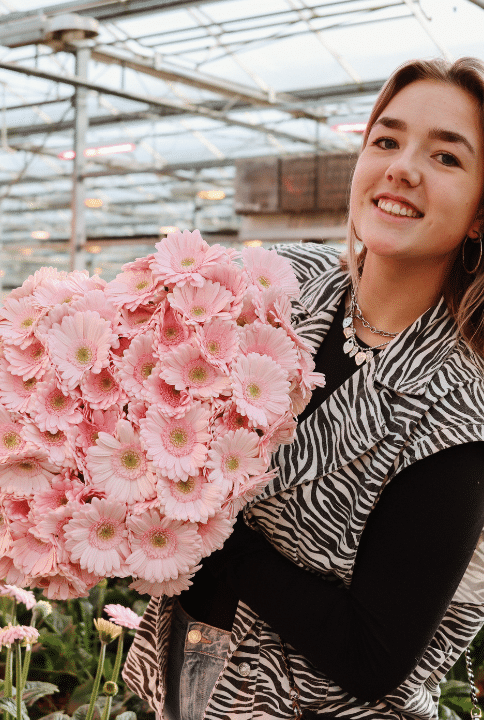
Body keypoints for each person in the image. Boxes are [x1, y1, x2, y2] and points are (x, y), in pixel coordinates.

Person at [122, 56, 484, 720]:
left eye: (447, 157)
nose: (403, 165)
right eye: (387, 139)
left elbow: (371, 657)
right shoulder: (282, 284)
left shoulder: (458, 407)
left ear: (479, 216)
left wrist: (206, 519)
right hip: (178, 676)